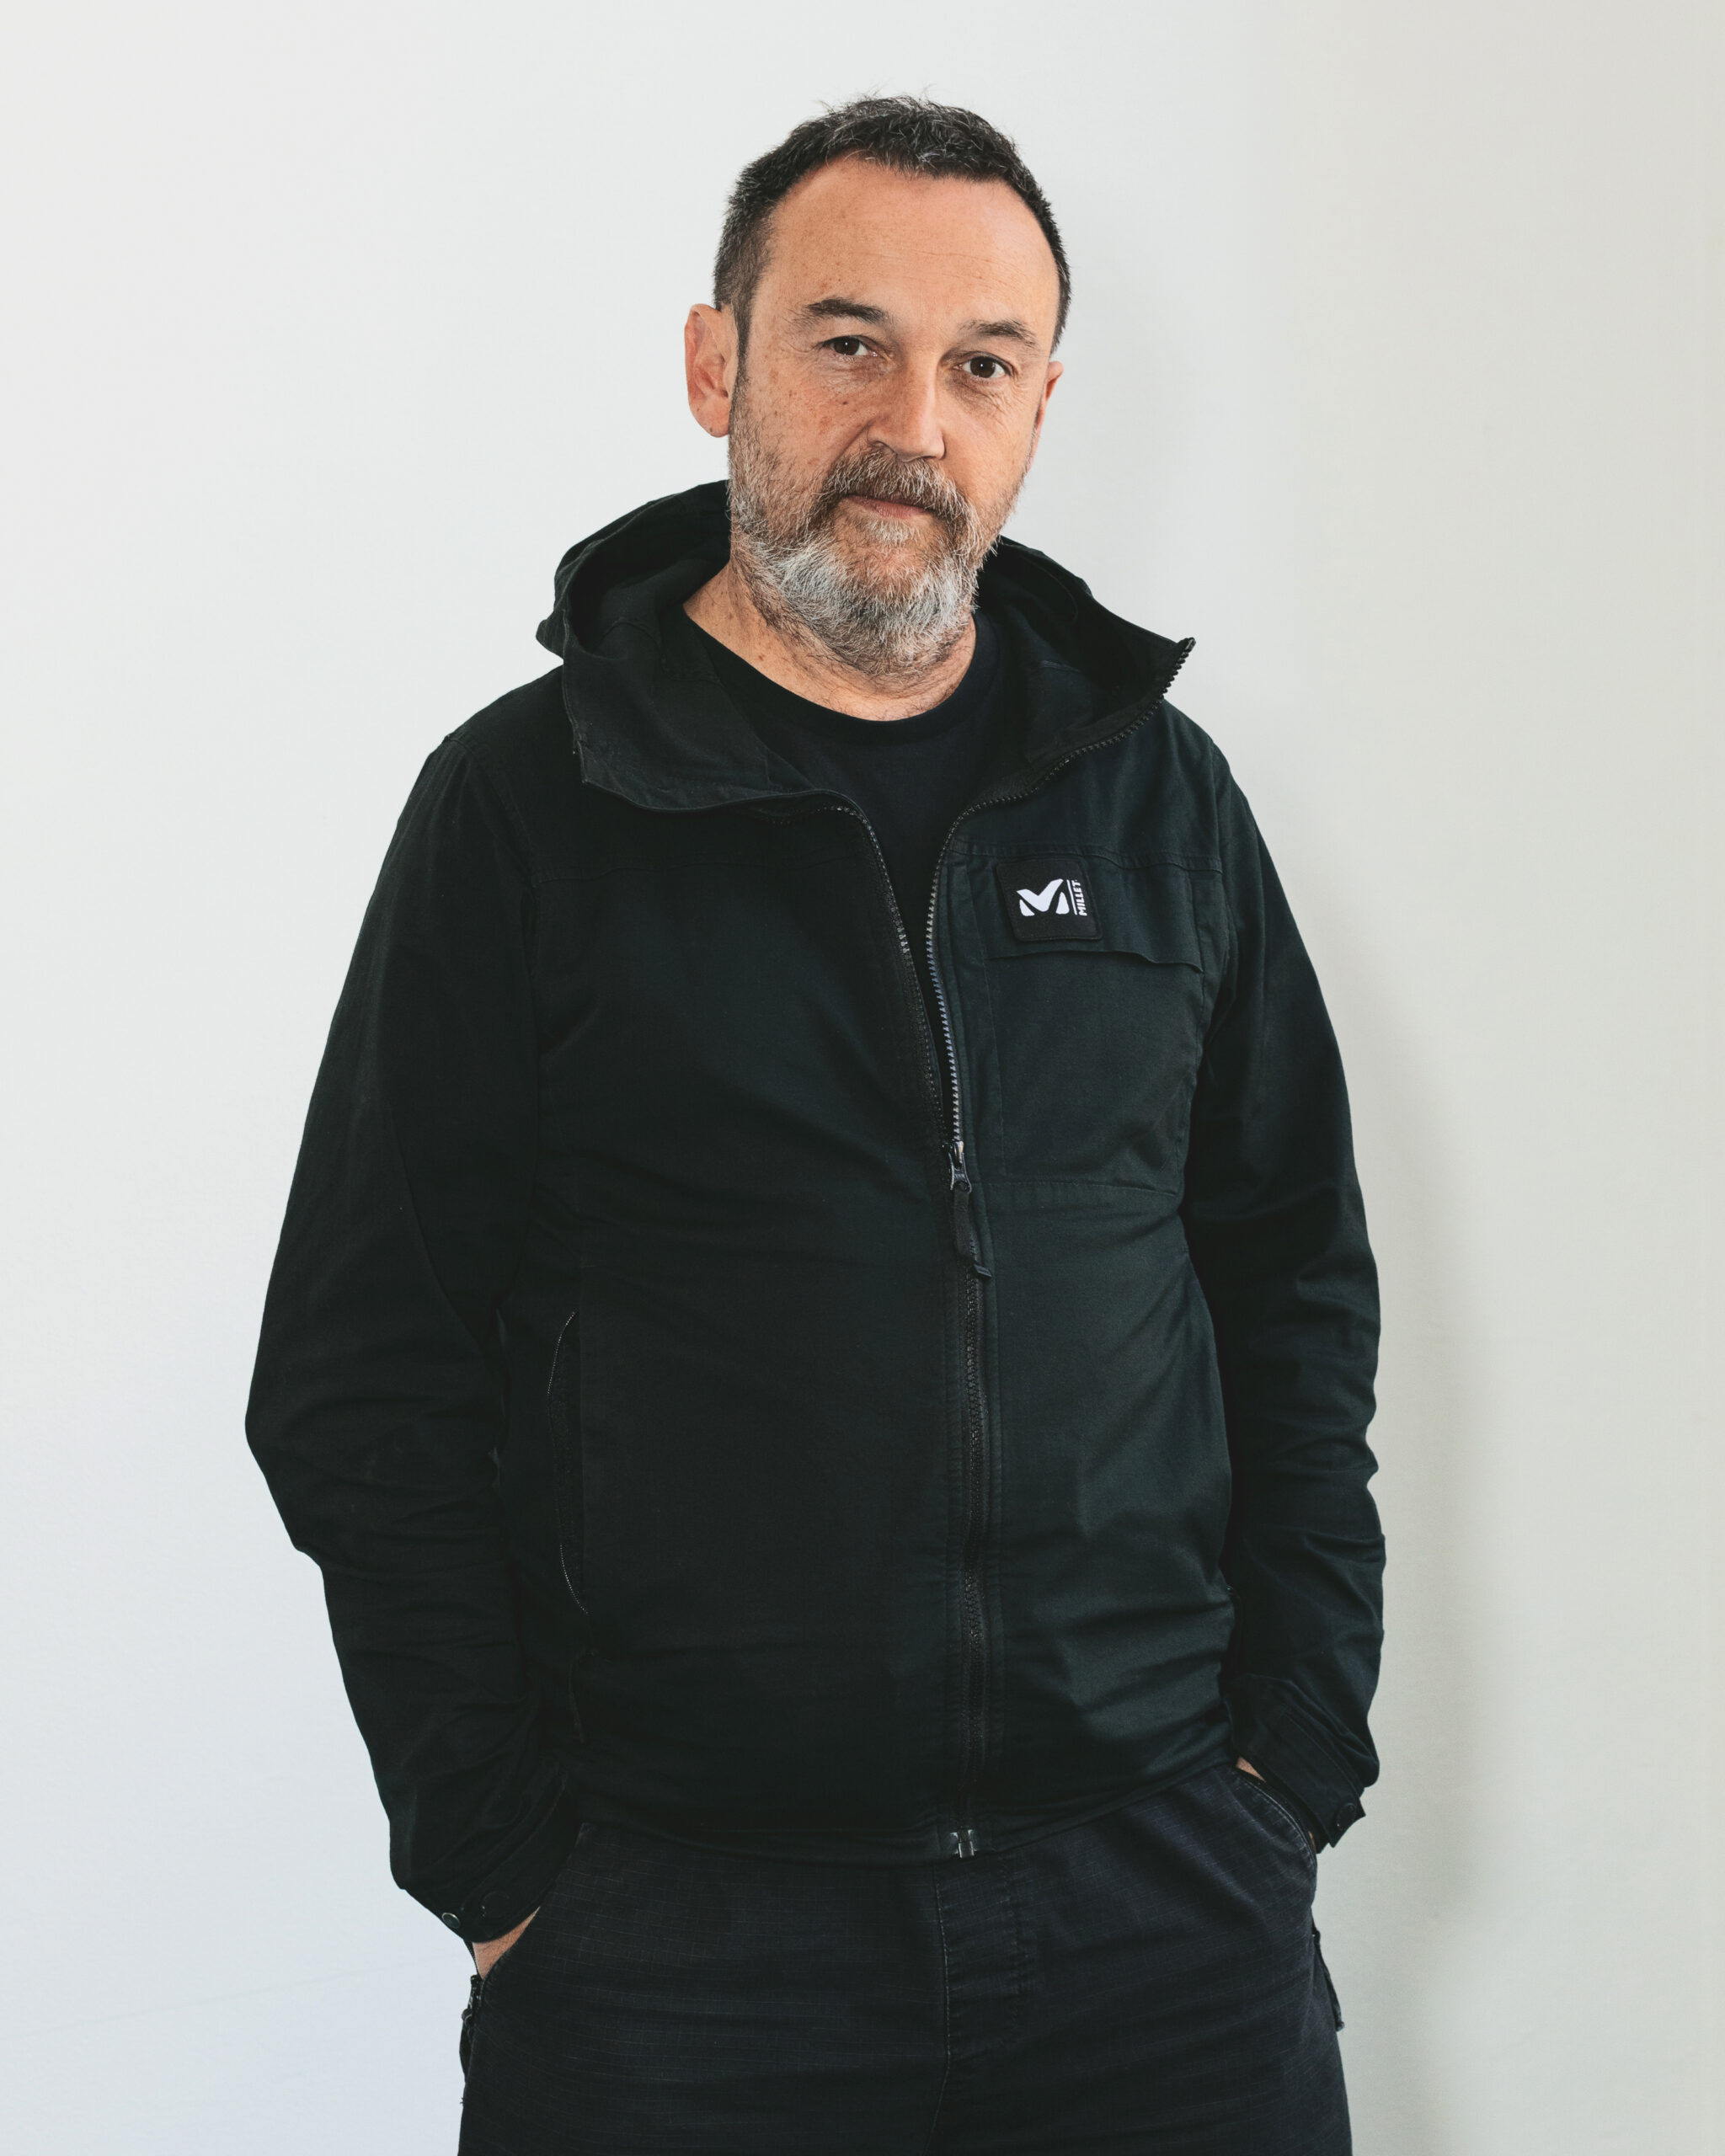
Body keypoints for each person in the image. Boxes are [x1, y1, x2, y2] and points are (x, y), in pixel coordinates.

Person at [248, 94, 1382, 2154]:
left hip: (1159, 1910)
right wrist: (500, 1860)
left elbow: (1290, 1279)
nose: (912, 426)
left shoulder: (1161, 803)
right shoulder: (528, 808)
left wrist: (1288, 1752)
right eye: (849, 342)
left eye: (982, 364)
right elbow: (358, 1367)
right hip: (680, 1945)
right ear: (719, 366)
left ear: (1040, 407)